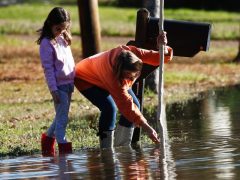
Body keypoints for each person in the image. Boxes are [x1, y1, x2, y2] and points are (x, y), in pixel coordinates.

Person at [74, 32, 173, 149]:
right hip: (85, 77)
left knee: (135, 104)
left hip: (100, 72)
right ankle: (106, 150)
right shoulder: (113, 78)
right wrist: (148, 128)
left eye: (135, 75)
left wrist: (163, 48)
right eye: (128, 77)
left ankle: (122, 146)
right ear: (120, 73)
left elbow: (159, 58)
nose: (132, 79)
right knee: (109, 108)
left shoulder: (134, 54)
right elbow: (126, 106)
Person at [36, 7, 75, 156]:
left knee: (60, 116)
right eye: (58, 28)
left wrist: (66, 38)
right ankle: (63, 146)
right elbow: (48, 69)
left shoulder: (62, 38)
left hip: (69, 84)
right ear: (50, 24)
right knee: (63, 119)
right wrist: (53, 90)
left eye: (64, 29)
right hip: (59, 86)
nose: (60, 32)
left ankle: (47, 144)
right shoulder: (46, 43)